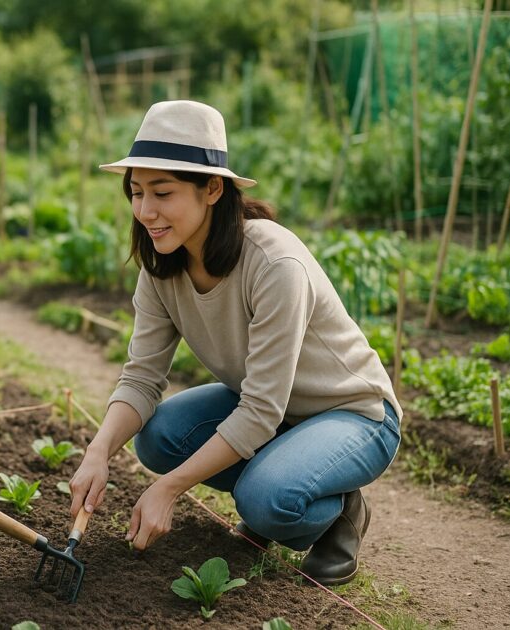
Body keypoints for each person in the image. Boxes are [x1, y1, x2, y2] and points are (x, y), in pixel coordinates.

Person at [68, 100, 401, 586]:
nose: (145, 211)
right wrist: (97, 454)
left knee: (264, 501)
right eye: (136, 193)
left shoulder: (273, 264)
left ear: (213, 189)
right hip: (274, 412)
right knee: (159, 437)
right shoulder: (164, 266)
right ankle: (284, 472)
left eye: (162, 193)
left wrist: (171, 489)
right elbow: (141, 377)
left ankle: (339, 510)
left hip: (353, 413)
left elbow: (261, 409)